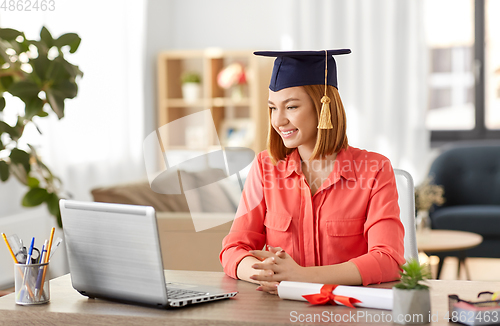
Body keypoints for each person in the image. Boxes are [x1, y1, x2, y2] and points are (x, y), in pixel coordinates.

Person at [219, 50, 405, 295]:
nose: (278, 121)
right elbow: (234, 249)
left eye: (291, 107)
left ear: (323, 106)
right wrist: (266, 272)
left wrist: (301, 277)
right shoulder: (265, 167)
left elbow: (389, 260)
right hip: (280, 310)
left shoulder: (375, 170)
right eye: (273, 108)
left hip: (347, 311)